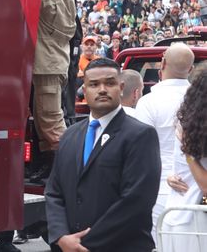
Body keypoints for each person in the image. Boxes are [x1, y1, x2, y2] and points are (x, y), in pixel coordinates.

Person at [45, 57, 161, 252]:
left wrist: (82, 244)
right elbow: (54, 191)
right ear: (85, 90)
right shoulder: (70, 135)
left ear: (121, 86)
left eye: (109, 82)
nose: (102, 89)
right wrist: (61, 236)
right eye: (94, 84)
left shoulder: (141, 135)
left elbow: (136, 200)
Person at [135, 41, 195, 237]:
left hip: (157, 190)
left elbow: (139, 152)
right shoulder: (199, 102)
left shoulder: (148, 102)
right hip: (196, 189)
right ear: (191, 69)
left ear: (162, 64)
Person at [30, 0, 77, 182]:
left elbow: (37, 3)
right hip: (53, 64)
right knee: (44, 120)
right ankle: (51, 168)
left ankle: (67, 171)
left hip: (47, 66)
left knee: (50, 122)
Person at [161, 64, 207, 251]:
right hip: (192, 219)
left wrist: (188, 155)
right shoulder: (186, 127)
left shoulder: (187, 125)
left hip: (178, 217)